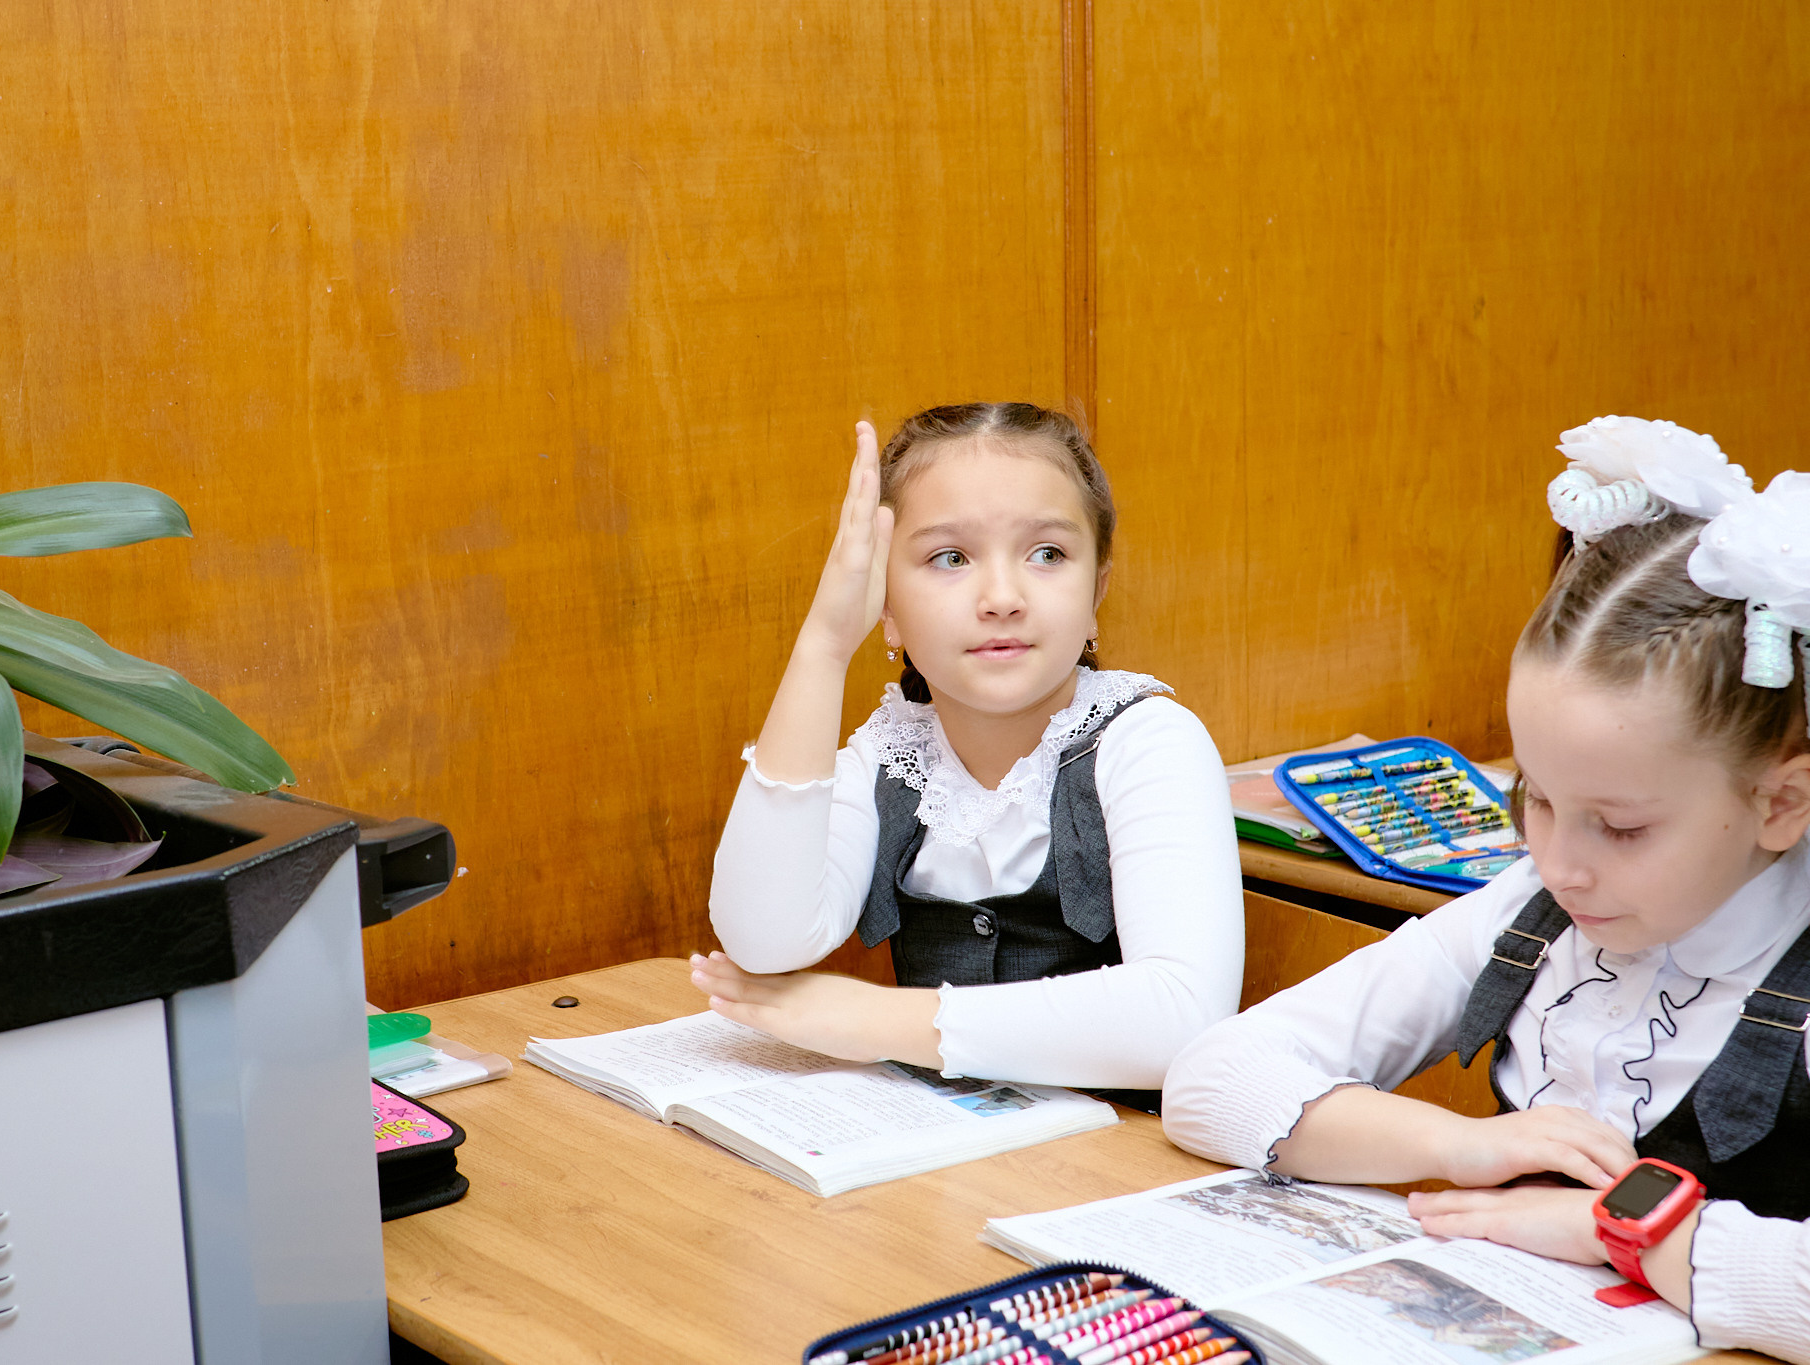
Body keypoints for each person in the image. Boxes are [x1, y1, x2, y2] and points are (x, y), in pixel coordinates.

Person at [1161, 416, 1810, 1361]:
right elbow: (1211, 1078)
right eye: (1534, 799)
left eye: (1621, 825)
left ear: (1782, 802)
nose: (1559, 862)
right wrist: (1458, 1146)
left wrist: (1617, 1230)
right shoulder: (1533, 914)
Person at [697, 403, 1241, 1089]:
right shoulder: (891, 756)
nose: (1003, 596)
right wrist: (823, 647)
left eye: (1048, 553)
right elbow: (762, 938)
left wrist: (873, 1019)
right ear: (885, 604)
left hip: (1116, 1163)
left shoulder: (1150, 742)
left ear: (1097, 588)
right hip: (943, 1160)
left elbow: (1182, 1017)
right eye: (950, 557)